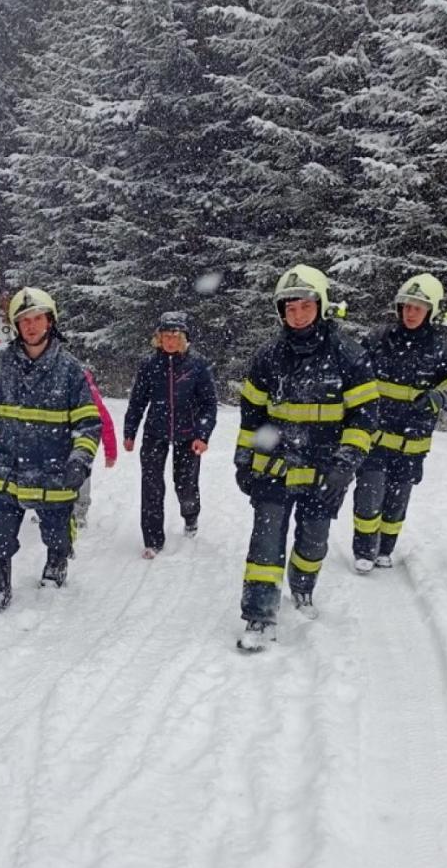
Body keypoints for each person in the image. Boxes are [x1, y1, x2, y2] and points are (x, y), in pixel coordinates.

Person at [233, 265, 379, 651]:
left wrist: (344, 465)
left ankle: (302, 586)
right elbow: (252, 414)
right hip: (274, 469)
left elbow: (365, 418)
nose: (296, 315)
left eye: (304, 307)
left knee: (313, 542)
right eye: (289, 308)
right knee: (264, 544)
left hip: (325, 471)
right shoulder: (267, 357)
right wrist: (243, 458)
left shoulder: (350, 356)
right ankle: (258, 616)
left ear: (321, 306)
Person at [0, 286, 102, 615]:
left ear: (50, 321)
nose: (32, 325)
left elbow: (88, 423)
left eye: (38, 318)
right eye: (24, 320)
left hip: (53, 473)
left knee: (56, 533)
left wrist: (79, 461)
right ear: (15, 325)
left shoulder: (69, 370)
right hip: (6, 471)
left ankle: (56, 563)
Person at [351, 273, 447, 572]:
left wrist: (441, 398)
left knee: (396, 501)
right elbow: (354, 375)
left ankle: (385, 550)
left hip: (412, 444)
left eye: (419, 307)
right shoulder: (378, 340)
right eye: (406, 306)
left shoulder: (445, 352)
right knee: (369, 494)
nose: (411, 312)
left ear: (431, 311)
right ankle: (364, 550)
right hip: (374, 439)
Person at [123, 311, 218, 558]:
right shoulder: (149, 365)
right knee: (152, 486)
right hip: (155, 432)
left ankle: (191, 516)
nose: (170, 341)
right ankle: (153, 540)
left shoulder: (198, 365)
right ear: (158, 338)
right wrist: (129, 431)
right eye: (166, 336)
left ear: (184, 338)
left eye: (175, 336)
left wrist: (203, 435)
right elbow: (137, 401)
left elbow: (209, 404)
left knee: (185, 484)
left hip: (189, 435)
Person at [73, 368, 117, 529]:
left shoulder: (91, 396)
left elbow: (106, 423)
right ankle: (51, 508)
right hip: (60, 438)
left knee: (81, 473)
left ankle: (80, 512)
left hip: (84, 438)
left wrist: (110, 453)